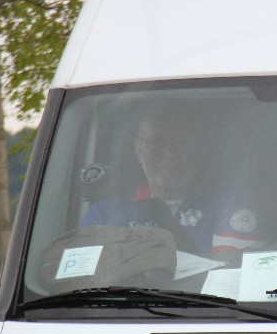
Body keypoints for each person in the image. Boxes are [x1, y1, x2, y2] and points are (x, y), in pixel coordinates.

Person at [81, 108, 264, 253]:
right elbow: (81, 276)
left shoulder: (230, 204)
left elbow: (230, 275)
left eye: (181, 142)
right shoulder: (103, 215)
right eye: (156, 143)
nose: (169, 154)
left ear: (198, 149)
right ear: (138, 151)